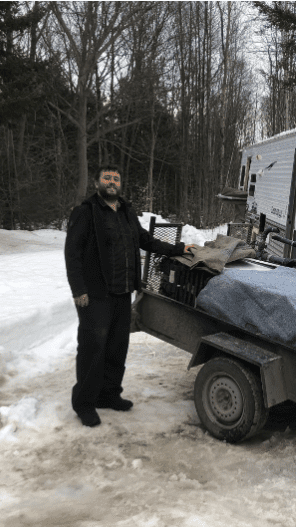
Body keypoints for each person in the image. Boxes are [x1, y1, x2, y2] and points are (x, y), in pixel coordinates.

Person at [64, 165, 194, 427]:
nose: (111, 182)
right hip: (96, 294)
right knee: (92, 348)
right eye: (107, 178)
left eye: (115, 179)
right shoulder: (86, 212)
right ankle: (85, 403)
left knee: (116, 347)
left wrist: (178, 249)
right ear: (97, 182)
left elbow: (145, 239)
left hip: (123, 293)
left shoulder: (126, 211)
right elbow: (72, 253)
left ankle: (109, 394)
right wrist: (79, 290)